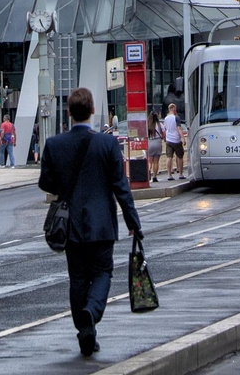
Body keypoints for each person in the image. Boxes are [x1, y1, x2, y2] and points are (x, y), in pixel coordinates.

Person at [39, 87, 143, 357]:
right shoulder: (107, 144)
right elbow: (121, 186)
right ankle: (92, 313)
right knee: (102, 273)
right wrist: (133, 221)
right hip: (101, 224)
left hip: (70, 225)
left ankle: (85, 330)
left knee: (77, 278)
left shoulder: (54, 145)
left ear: (70, 112)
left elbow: (45, 183)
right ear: (93, 110)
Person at [163, 102, 184, 180]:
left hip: (168, 140)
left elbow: (165, 128)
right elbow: (179, 128)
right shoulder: (177, 117)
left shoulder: (166, 118)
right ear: (174, 109)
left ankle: (169, 175)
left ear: (169, 109)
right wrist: (183, 138)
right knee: (180, 156)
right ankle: (181, 174)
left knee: (169, 157)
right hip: (176, 139)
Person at [147, 111, 164, 183]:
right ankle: (154, 177)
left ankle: (148, 172)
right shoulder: (160, 125)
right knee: (156, 161)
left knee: (150, 161)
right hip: (158, 142)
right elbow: (164, 135)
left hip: (150, 142)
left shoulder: (148, 125)